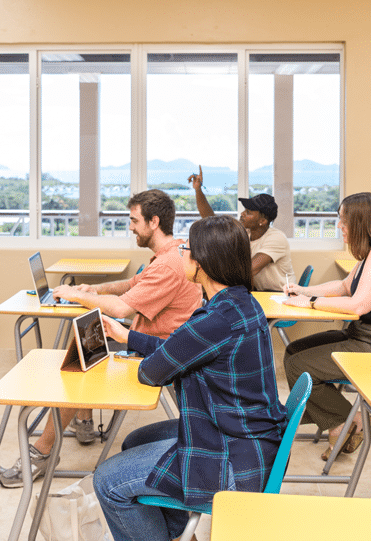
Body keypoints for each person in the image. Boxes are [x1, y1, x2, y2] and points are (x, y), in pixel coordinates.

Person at [93, 215, 288, 541]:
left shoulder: (215, 320)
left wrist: (138, 350)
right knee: (135, 442)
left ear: (203, 263)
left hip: (232, 458)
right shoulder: (240, 303)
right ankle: (175, 532)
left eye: (186, 249)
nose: (181, 252)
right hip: (248, 437)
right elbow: (181, 350)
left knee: (107, 482)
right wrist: (128, 338)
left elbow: (152, 372)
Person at [0, 189, 202, 488]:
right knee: (82, 335)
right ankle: (84, 419)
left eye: (134, 220)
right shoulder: (170, 254)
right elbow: (133, 284)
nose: (130, 227)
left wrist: (76, 294)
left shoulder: (169, 264)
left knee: (78, 364)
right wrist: (95, 290)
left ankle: (43, 450)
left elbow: (122, 307)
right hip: (151, 338)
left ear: (153, 222)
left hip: (156, 350)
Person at [282, 191, 371, 460]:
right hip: (365, 335)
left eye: (344, 221)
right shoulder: (369, 255)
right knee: (294, 352)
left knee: (299, 365)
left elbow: (358, 305)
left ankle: (346, 421)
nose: (340, 226)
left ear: (361, 222)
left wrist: (312, 303)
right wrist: (303, 291)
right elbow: (343, 287)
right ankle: (337, 418)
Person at [187, 165, 293, 291]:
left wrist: (210, 276)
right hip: (258, 292)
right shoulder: (246, 232)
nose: (242, 214)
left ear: (262, 221)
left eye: (248, 212)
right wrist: (198, 190)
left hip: (278, 295)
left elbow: (248, 270)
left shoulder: (276, 238)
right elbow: (211, 221)